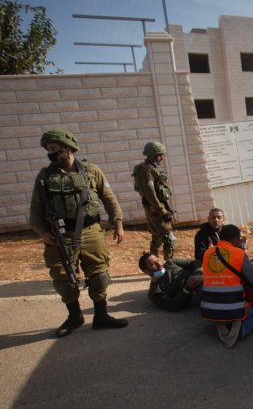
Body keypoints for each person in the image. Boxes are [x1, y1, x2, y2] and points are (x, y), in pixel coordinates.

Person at [29, 128, 128, 337]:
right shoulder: (44, 177)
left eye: (54, 149)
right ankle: (75, 316)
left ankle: (101, 316)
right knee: (63, 280)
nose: (50, 154)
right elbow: (35, 211)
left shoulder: (92, 171)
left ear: (67, 148)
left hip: (91, 231)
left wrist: (118, 223)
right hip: (60, 236)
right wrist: (43, 233)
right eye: (48, 150)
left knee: (100, 275)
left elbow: (109, 199)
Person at [133, 141, 176, 260]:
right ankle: (170, 267)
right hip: (155, 209)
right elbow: (151, 195)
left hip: (156, 207)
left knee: (157, 238)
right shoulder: (146, 171)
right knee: (169, 238)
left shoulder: (151, 169)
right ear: (152, 155)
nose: (162, 158)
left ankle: (153, 264)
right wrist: (163, 211)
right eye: (159, 155)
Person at [138, 253, 203, 312]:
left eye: (157, 260)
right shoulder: (155, 291)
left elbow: (194, 262)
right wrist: (187, 288)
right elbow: (172, 305)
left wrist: (198, 274)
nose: (159, 264)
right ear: (146, 271)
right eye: (153, 264)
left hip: (205, 278)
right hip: (198, 294)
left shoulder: (171, 262)